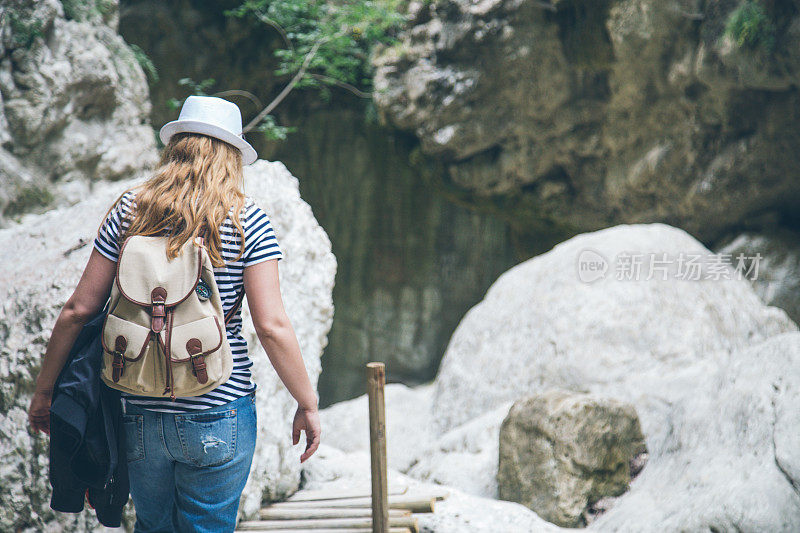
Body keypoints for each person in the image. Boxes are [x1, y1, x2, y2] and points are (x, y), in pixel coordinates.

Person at [28, 95, 322, 532]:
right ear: (232, 157)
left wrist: (45, 392)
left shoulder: (131, 211)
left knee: (152, 526)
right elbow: (272, 325)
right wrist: (308, 402)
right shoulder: (247, 221)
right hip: (218, 407)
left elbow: (77, 310)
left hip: (139, 408)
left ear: (174, 148)